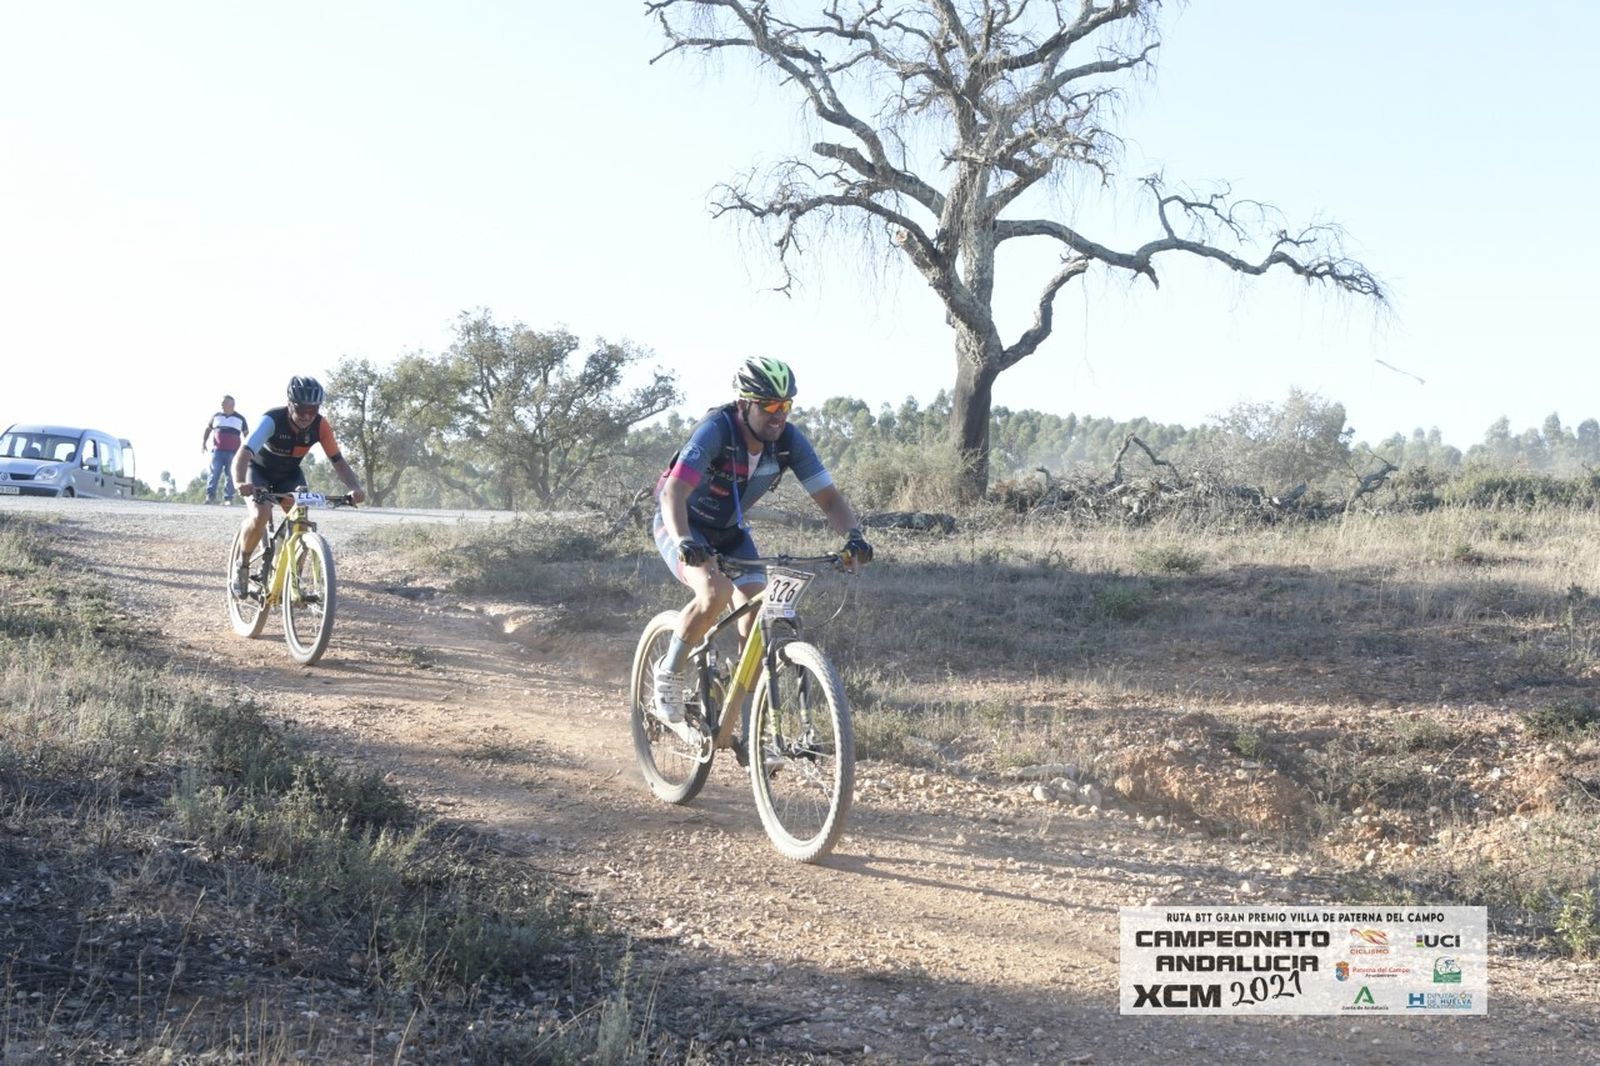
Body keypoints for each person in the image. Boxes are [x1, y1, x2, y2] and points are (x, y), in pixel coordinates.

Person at [650, 356, 873, 726]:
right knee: (714, 592)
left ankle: (746, 713)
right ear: (743, 404)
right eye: (768, 405)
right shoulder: (716, 431)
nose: (778, 415)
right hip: (683, 523)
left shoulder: (788, 441)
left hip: (730, 531)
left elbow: (830, 500)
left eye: (785, 405)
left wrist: (854, 537)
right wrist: (685, 540)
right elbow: (673, 493)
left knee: (759, 607)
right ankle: (669, 671)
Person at [230, 376, 366, 596]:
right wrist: (239, 482)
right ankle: (242, 565)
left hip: (289, 475)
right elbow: (243, 454)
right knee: (261, 514)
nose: (306, 416)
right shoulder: (272, 420)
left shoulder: (321, 426)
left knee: (300, 524)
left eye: (312, 410)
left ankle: (289, 577)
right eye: (301, 409)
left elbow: (338, 461)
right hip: (258, 472)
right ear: (290, 403)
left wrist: (355, 487)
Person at [201, 395, 249, 504]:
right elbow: (208, 429)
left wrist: (248, 450)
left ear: (231, 405)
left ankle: (228, 498)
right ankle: (210, 497)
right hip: (217, 451)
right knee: (214, 473)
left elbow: (246, 435)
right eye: (222, 403)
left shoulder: (240, 418)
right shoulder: (216, 416)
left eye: (224, 403)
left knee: (231, 474)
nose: (221, 405)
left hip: (234, 452)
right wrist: (204, 442)